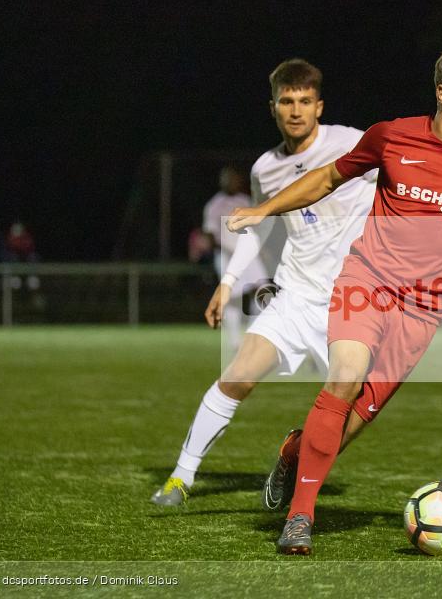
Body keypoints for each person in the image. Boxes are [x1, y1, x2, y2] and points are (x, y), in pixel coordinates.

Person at [228, 46, 442, 555]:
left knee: (352, 421)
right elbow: (325, 178)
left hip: (423, 310)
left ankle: (296, 450)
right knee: (344, 376)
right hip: (366, 282)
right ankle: (300, 519)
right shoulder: (391, 136)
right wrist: (267, 208)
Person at [151, 59, 376, 506]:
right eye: (287, 101)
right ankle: (181, 478)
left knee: (352, 408)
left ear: (319, 106)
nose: (296, 110)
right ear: (272, 107)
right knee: (238, 376)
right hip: (295, 295)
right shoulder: (264, 170)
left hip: (351, 300)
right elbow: (260, 225)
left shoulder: (351, 143)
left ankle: (294, 461)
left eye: (305, 101)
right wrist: (227, 281)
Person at [202, 166, 269, 346]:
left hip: (248, 253)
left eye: (234, 179)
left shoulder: (244, 200)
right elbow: (209, 234)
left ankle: (253, 334)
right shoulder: (214, 205)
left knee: (263, 291)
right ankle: (234, 341)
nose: (232, 182)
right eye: (228, 179)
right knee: (232, 297)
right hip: (225, 254)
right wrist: (227, 246)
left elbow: (256, 227)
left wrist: (260, 250)